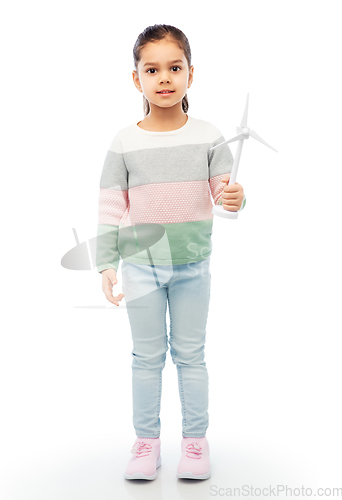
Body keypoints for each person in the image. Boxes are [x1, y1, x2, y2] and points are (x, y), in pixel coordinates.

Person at [96, 24, 246, 481]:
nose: (164, 77)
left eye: (174, 67)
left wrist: (235, 197)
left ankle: (195, 443)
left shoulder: (209, 136)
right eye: (152, 68)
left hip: (193, 266)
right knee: (146, 357)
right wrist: (106, 263)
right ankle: (146, 443)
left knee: (190, 354)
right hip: (140, 267)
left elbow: (224, 193)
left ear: (190, 74)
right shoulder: (125, 141)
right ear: (136, 78)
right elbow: (109, 204)